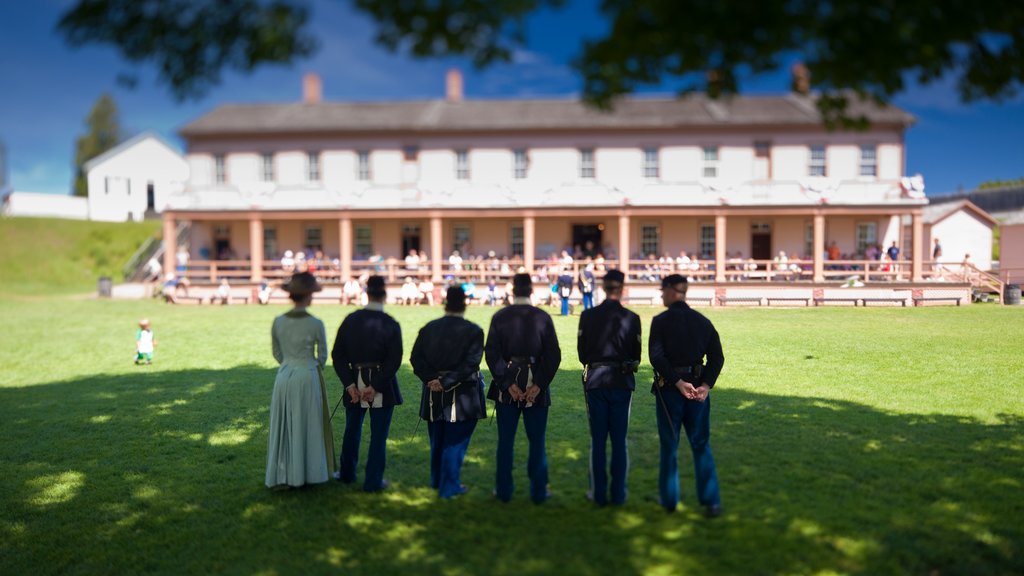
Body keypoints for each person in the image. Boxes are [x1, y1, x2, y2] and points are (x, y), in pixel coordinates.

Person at [649, 273, 725, 518]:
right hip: (698, 392)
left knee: (669, 445)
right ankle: (711, 501)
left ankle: (670, 499)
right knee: (701, 444)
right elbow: (717, 358)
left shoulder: (660, 321)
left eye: (663, 290)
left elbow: (656, 357)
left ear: (672, 291)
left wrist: (677, 382)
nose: (661, 294)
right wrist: (706, 385)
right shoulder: (703, 322)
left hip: (671, 390)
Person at [485, 273, 562, 503]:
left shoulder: (499, 316)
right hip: (535, 380)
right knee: (537, 440)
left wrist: (507, 384)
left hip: (508, 380)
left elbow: (492, 354)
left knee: (505, 441)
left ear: (513, 290)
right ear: (531, 291)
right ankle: (539, 491)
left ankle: (503, 491)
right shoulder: (542, 317)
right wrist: (539, 384)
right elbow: (553, 355)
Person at [410, 286, 487, 498]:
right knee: (455, 442)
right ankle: (449, 486)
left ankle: (437, 480)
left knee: (438, 439)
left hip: (434, 391)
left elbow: (416, 359)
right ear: (464, 304)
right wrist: (446, 381)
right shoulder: (474, 330)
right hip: (463, 394)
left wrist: (433, 380)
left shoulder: (429, 328)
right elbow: (471, 363)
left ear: (445, 303)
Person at [331, 276, 403, 492]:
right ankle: (373, 481)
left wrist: (349, 384)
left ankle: (346, 474)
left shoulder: (350, 319)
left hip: (355, 379)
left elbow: (338, 355)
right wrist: (377, 386)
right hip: (382, 383)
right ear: (385, 294)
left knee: (352, 430)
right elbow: (394, 360)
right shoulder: (391, 323)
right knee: (379, 435)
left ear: (366, 293)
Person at [265, 272, 336, 489]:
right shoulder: (316, 323)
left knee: (286, 423)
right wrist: (312, 366)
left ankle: (286, 473)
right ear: (308, 296)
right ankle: (309, 473)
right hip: (307, 374)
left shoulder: (278, 321)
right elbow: (323, 354)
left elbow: (277, 352)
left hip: (284, 375)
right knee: (309, 423)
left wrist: (288, 363)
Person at [577, 270, 641, 505]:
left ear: (603, 287)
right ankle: (618, 494)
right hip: (622, 382)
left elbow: (582, 354)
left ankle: (598, 493)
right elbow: (636, 355)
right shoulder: (632, 318)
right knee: (619, 440)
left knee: (598, 440)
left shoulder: (588, 315)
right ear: (622, 288)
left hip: (595, 380)